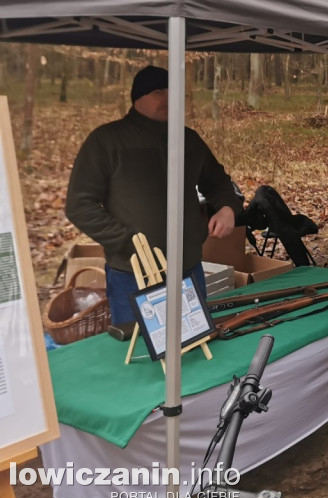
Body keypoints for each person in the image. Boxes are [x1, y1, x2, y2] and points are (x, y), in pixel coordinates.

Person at [65, 65, 242, 335]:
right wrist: (128, 242)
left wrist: (228, 208)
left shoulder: (188, 140)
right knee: (141, 355)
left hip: (188, 267)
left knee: (194, 347)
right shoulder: (106, 141)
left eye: (174, 92)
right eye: (159, 92)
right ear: (138, 98)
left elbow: (218, 182)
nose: (169, 98)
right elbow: (80, 205)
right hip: (132, 273)